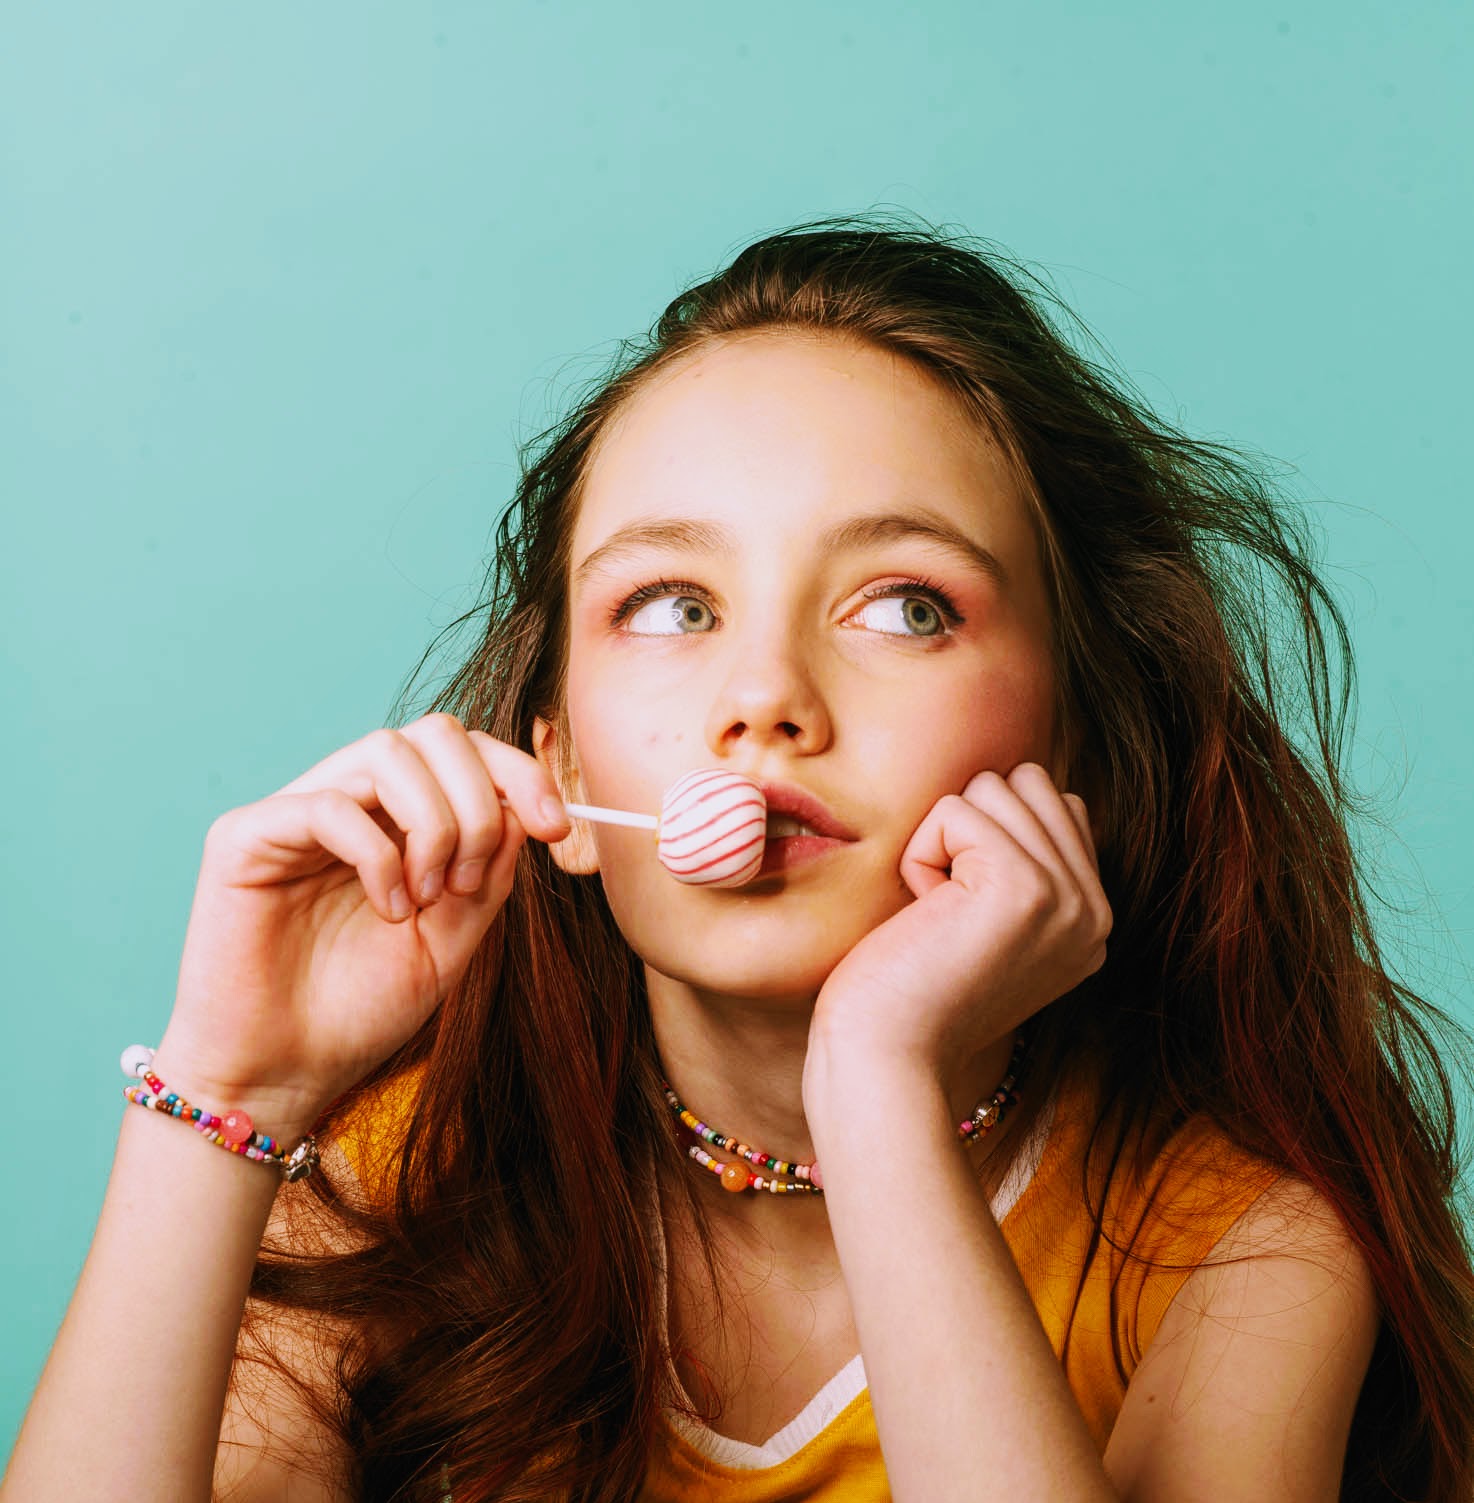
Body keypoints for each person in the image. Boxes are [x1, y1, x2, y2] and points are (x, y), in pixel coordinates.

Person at [6, 214, 1473, 1503]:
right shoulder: (409, 1181)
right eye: (668, 604)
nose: (759, 700)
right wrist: (229, 1091)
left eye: (905, 606)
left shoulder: (1238, 1250)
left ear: (1074, 747)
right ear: (563, 763)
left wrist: (877, 1086)